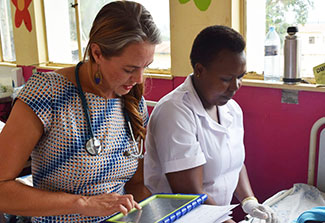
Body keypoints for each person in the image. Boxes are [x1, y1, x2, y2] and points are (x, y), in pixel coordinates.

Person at [0, 1, 161, 222]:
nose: (140, 79)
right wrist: (82, 204)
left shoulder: (132, 101)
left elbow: (136, 186)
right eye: (129, 69)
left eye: (147, 66)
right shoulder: (47, 93)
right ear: (97, 53)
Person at [144, 25, 278, 223]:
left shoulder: (231, 109)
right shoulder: (174, 112)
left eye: (240, 77)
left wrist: (249, 201)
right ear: (199, 70)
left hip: (217, 218)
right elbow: (191, 196)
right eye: (226, 79)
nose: (235, 86)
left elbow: (234, 162)